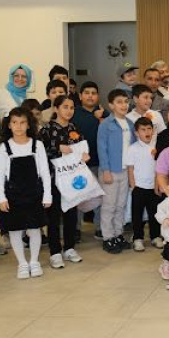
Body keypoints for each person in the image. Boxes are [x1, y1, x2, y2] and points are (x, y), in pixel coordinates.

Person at [0, 107, 52, 279]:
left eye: (22, 122)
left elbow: (45, 172)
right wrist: (1, 198)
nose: (18, 126)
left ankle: (34, 261)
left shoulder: (37, 145)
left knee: (35, 229)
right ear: (9, 125)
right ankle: (22, 263)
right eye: (14, 122)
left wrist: (47, 194)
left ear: (28, 125)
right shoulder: (4, 147)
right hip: (12, 195)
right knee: (15, 230)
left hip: (34, 193)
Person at [39, 94, 86, 269]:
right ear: (56, 108)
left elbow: (81, 147)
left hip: (72, 179)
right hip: (53, 179)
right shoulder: (46, 129)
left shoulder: (74, 128)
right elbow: (40, 153)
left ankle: (69, 248)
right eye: (65, 107)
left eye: (72, 107)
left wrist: (83, 154)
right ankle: (55, 252)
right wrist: (59, 149)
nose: (69, 110)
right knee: (53, 217)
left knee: (71, 215)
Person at [97, 89, 136, 255]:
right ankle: (108, 237)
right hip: (111, 171)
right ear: (111, 105)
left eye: (126, 102)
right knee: (109, 206)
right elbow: (102, 148)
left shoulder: (130, 124)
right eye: (119, 102)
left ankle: (118, 234)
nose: (123, 105)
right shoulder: (106, 124)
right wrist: (105, 170)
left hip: (126, 170)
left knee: (121, 205)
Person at [72, 81, 107, 240]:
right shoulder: (74, 113)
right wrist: (94, 118)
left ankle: (100, 227)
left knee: (100, 196)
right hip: (79, 163)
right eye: (87, 93)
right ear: (80, 96)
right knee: (78, 196)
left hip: (99, 162)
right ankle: (76, 228)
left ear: (98, 96)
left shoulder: (104, 113)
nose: (90, 96)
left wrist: (100, 118)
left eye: (93, 93)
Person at [125, 117, 162, 252]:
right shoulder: (133, 149)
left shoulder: (157, 147)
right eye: (143, 129)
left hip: (154, 187)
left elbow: (159, 168)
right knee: (137, 215)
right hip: (139, 187)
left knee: (154, 213)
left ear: (153, 130)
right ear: (136, 133)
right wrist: (133, 186)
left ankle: (155, 236)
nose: (147, 132)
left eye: (149, 129)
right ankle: (138, 238)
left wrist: (158, 184)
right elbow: (130, 168)